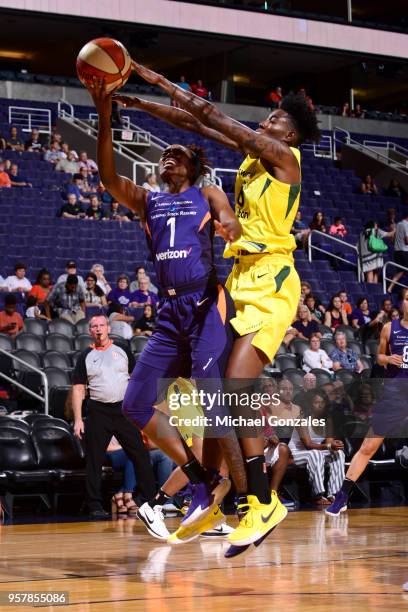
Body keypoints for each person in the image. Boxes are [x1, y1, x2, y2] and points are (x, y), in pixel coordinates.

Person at [115, 60, 320, 553]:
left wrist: (147, 74)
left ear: (287, 132)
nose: (263, 123)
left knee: (232, 387)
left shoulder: (284, 157)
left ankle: (258, 504)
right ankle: (220, 495)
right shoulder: (256, 157)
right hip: (242, 279)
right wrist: (140, 105)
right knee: (221, 395)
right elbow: (197, 123)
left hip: (272, 281)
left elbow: (211, 113)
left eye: (272, 120)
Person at [89, 75, 245, 545]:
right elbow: (108, 177)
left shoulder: (208, 193)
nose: (167, 158)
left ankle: (246, 497)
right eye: (163, 156)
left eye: (176, 154)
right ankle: (199, 478)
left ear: (194, 166)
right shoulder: (148, 200)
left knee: (212, 402)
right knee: (135, 404)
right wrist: (103, 116)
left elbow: (231, 220)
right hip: (169, 315)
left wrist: (229, 229)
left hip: (205, 306)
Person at [326, 288, 408, 516]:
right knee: (368, 447)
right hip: (395, 394)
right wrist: (388, 358)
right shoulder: (390, 328)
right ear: (402, 303)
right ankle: (342, 496)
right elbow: (379, 357)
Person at [72, 314, 157, 518]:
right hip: (97, 411)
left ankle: (149, 501)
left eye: (102, 325)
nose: (99, 329)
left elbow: (136, 380)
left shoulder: (122, 349)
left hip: (123, 411)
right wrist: (77, 420)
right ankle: (94, 506)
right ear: (90, 331)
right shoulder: (85, 356)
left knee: (140, 454)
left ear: (108, 328)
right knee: (94, 460)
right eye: (94, 326)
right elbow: (78, 389)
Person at [289, 389, 345, 505]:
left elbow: (329, 442)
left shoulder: (327, 420)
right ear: (310, 404)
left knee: (338, 453)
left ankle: (334, 493)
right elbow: (308, 445)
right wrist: (329, 446)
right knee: (315, 454)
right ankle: (317, 495)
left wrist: (335, 445)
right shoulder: (302, 419)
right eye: (316, 402)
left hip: (316, 453)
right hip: (297, 453)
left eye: (323, 402)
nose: (320, 405)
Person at [106, 437, 138, 516]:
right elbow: (105, 447)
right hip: (106, 454)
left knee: (138, 457)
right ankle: (127, 495)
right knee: (132, 454)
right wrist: (128, 447)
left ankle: (119, 494)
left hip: (124, 453)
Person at [387, 212, 408, 293]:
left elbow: (393, 240)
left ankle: (390, 288)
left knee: (400, 271)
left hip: (397, 251)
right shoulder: (406, 225)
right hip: (404, 252)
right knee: (402, 271)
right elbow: (407, 241)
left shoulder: (399, 224)